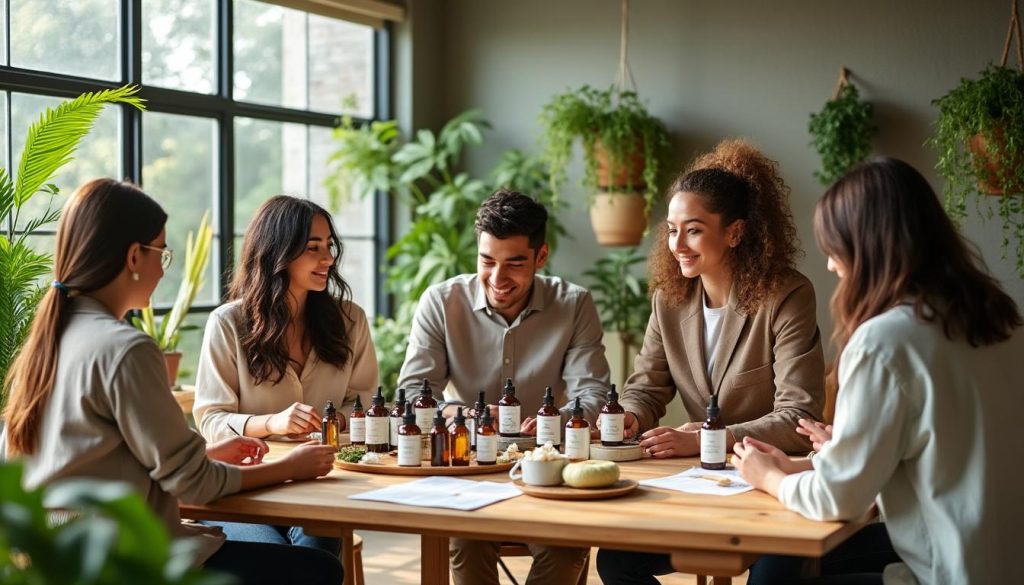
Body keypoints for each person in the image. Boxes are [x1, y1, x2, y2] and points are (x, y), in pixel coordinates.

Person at [0, 179, 342, 585]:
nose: (164, 268)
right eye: (162, 252)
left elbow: (102, 457)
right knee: (317, 570)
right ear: (133, 257)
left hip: (59, 555)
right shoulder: (126, 348)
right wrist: (290, 467)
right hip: (124, 559)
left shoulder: (51, 338)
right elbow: (195, 486)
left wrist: (209, 451)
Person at [733, 158, 1024, 584]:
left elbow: (839, 500)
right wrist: (848, 447)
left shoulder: (884, 341)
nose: (831, 266)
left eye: (834, 249)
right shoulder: (1002, 322)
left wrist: (770, 477)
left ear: (865, 248)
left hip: (947, 571)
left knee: (773, 575)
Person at [598, 140, 825, 584]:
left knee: (770, 578)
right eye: (671, 229)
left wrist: (707, 438)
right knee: (616, 561)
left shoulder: (787, 296)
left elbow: (799, 418)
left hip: (770, 488)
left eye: (694, 230)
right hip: (697, 487)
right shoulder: (669, 299)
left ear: (735, 233)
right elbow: (646, 387)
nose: (677, 244)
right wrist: (627, 417)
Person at [398, 188, 611, 585]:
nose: (498, 278)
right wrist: (465, 415)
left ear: (540, 256)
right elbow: (412, 396)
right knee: (466, 542)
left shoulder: (575, 304)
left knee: (567, 547)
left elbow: (594, 397)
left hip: (549, 467)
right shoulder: (441, 302)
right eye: (487, 261)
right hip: (468, 470)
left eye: (514, 263)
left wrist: (552, 422)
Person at [193, 195, 378, 556]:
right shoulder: (228, 324)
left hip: (323, 483)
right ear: (279, 253)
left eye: (329, 246)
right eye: (313, 248)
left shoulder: (350, 320)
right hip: (247, 485)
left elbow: (366, 403)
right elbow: (211, 420)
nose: (328, 258)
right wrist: (273, 422)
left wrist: (332, 421)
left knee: (315, 556)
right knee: (283, 564)